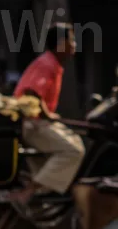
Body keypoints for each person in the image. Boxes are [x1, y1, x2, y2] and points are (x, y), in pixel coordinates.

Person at [11, 22, 85, 205]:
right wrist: (47, 115)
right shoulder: (48, 64)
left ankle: (44, 190)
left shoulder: (51, 63)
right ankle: (29, 192)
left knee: (76, 140)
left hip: (36, 122)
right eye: (71, 40)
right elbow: (31, 91)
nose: (74, 44)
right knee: (74, 151)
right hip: (32, 124)